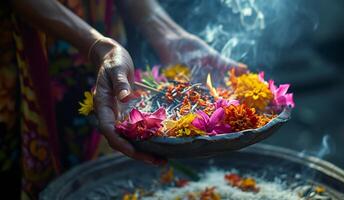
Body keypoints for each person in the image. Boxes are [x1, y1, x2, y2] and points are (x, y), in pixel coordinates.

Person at [0, 0, 247, 199]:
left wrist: (166, 32)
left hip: (106, 43)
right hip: (28, 51)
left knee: (105, 156)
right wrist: (98, 46)